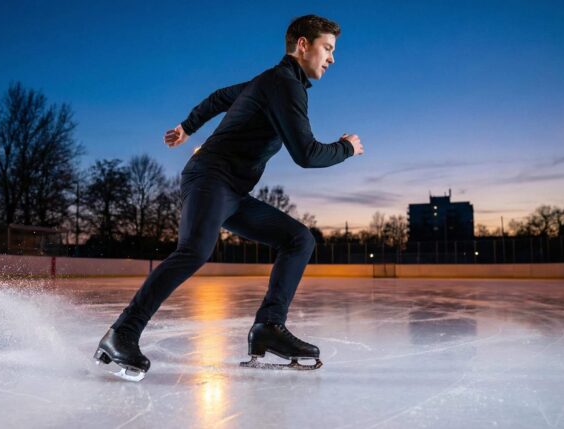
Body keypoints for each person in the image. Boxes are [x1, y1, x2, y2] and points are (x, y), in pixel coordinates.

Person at [94, 14, 363, 381]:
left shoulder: (270, 82)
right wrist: (346, 148)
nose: (332, 58)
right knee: (194, 251)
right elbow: (306, 154)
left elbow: (221, 97)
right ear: (303, 45)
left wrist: (188, 127)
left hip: (231, 190)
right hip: (211, 178)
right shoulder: (284, 85)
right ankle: (121, 334)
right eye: (327, 48)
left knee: (298, 239)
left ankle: (268, 327)